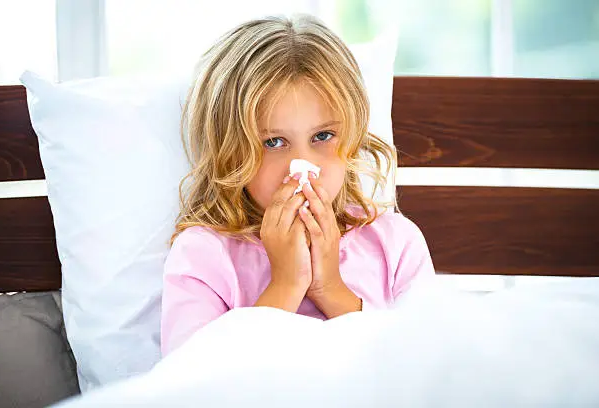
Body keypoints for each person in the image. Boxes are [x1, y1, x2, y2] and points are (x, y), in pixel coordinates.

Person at [161, 14, 435, 356]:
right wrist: (286, 284)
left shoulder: (395, 244)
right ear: (230, 153)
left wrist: (331, 289)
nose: (302, 169)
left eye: (323, 136)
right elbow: (190, 384)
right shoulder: (204, 255)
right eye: (274, 142)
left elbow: (423, 366)